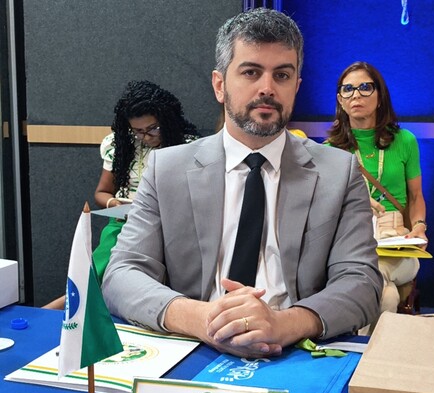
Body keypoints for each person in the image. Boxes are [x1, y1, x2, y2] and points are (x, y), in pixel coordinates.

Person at [102, 8, 382, 358]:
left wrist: (284, 323)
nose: (267, 88)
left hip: (296, 350)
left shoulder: (339, 172)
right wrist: (204, 318)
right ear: (220, 85)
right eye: (251, 72)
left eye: (282, 75)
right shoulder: (166, 169)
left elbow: (362, 283)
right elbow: (121, 274)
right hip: (194, 347)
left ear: (296, 87)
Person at [43, 80, 198, 310]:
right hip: (124, 220)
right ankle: (67, 304)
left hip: (170, 225)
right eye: (138, 131)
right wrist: (114, 203)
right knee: (105, 261)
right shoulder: (121, 145)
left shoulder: (188, 147)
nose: (146, 137)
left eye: (153, 128)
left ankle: (66, 305)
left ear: (167, 120)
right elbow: (101, 192)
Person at [325, 61, 428, 332]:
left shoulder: (405, 140)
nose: (356, 95)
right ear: (340, 100)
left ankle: (355, 348)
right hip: (352, 242)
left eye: (365, 87)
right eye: (347, 89)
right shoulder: (329, 149)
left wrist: (419, 226)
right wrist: (354, 203)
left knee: (373, 273)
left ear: (380, 96)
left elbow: (416, 197)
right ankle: (377, 351)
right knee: (388, 296)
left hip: (397, 243)